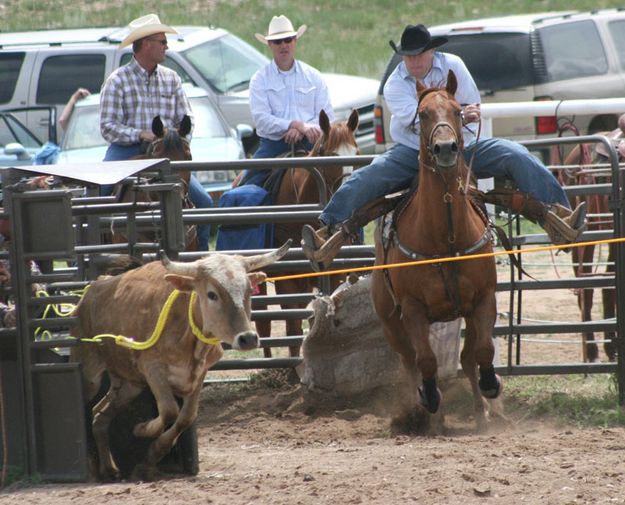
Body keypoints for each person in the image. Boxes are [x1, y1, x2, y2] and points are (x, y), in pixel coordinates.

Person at [301, 24, 587, 268]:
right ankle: (327, 229)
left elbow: (471, 105)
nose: (413, 61)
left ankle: (559, 215)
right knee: (369, 175)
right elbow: (420, 120)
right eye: (408, 56)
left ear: (431, 51)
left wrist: (467, 115)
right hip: (414, 151)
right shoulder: (395, 84)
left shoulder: (454, 66)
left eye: (418, 54)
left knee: (516, 154)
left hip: (462, 144)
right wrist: (462, 113)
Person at [99, 13, 213, 250]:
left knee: (204, 201)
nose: (166, 46)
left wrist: (176, 142)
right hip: (127, 152)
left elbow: (187, 118)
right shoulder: (117, 80)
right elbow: (108, 126)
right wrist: (139, 134)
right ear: (146, 43)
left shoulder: (171, 79)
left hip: (166, 155)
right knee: (101, 192)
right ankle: (97, 255)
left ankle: (200, 257)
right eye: (162, 41)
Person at [239, 14, 335, 187]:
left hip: (312, 144)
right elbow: (262, 120)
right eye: (277, 41)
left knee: (339, 180)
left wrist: (304, 129)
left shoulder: (314, 76)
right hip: (273, 145)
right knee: (246, 186)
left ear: (295, 41)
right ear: (270, 44)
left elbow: (327, 117)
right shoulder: (259, 79)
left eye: (288, 39)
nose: (283, 45)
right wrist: (295, 124)